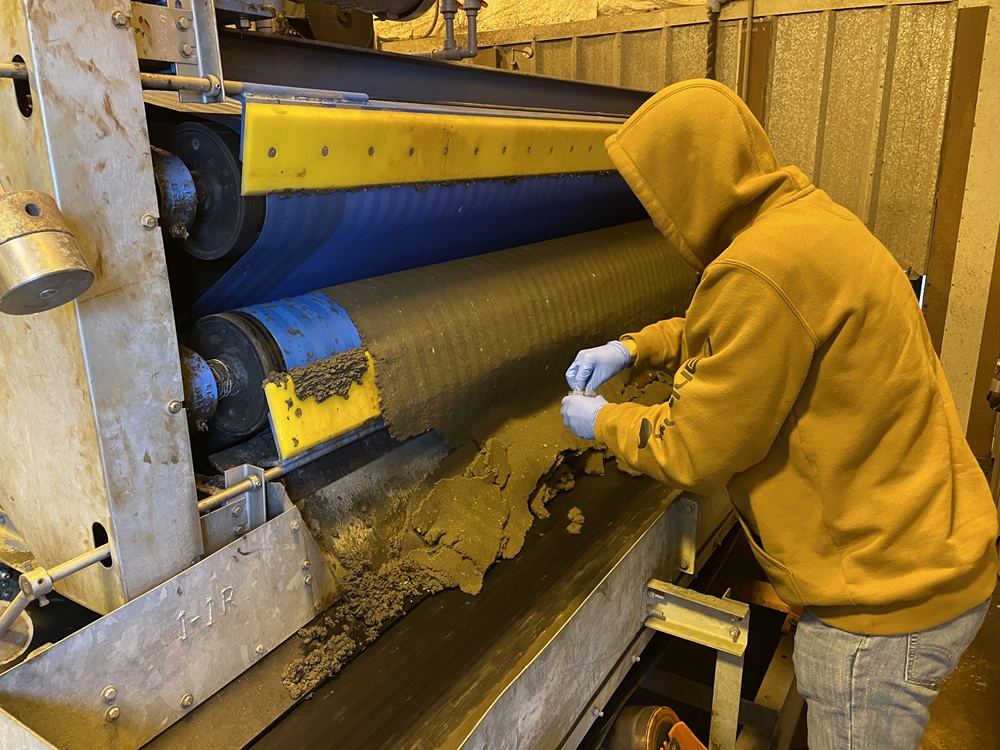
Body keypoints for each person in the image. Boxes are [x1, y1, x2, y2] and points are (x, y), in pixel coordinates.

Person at [561, 79, 998, 749]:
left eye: (656, 196)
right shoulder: (808, 221)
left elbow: (693, 450)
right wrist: (634, 347)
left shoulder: (757, 269)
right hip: (930, 545)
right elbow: (738, 332)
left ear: (690, 184)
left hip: (882, 607)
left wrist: (601, 422)